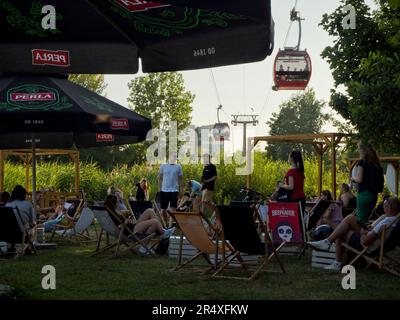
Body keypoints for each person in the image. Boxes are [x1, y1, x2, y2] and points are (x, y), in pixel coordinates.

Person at [308, 196, 400, 271]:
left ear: (389, 207)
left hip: (367, 247)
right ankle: (329, 245)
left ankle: (329, 246)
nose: (383, 209)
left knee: (348, 221)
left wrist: (363, 233)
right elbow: (372, 229)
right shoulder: (393, 220)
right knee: (345, 225)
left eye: (384, 206)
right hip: (371, 240)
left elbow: (366, 241)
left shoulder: (386, 222)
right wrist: (366, 228)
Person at [104, 194, 174, 254]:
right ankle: (163, 233)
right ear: (113, 203)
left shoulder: (113, 211)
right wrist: (126, 222)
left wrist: (127, 219)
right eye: (117, 201)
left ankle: (162, 232)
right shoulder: (112, 214)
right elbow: (119, 226)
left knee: (149, 211)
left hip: (132, 227)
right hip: (131, 231)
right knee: (154, 222)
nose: (118, 203)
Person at [351, 142, 384, 224]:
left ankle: (362, 236)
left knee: (361, 221)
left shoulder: (362, 162)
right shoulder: (377, 164)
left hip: (363, 195)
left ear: (362, 151)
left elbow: (359, 179)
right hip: (374, 196)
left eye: (359, 150)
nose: (359, 152)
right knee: (367, 220)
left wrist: (353, 178)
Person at [158, 152, 183, 227]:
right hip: (164, 190)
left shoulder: (178, 167)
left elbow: (181, 180)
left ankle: (169, 227)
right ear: (169, 157)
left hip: (174, 191)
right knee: (163, 211)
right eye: (173, 156)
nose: (175, 158)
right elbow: (159, 177)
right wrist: (160, 188)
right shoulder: (163, 166)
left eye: (176, 156)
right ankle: (165, 223)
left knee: (172, 211)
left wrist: (181, 191)